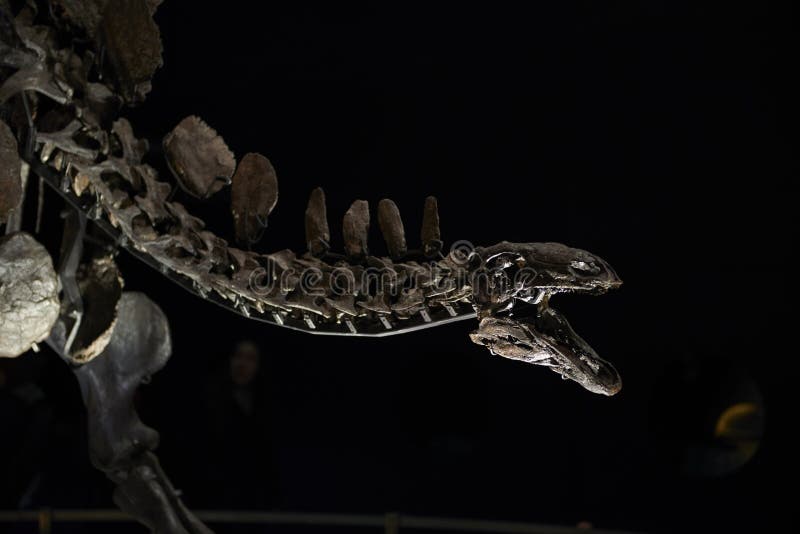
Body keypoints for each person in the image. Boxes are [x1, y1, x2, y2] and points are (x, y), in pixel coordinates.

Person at [203, 340, 277, 508]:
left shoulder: (266, 402)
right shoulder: (211, 398)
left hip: (255, 495)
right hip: (215, 491)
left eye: (250, 358)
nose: (242, 364)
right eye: (239, 356)